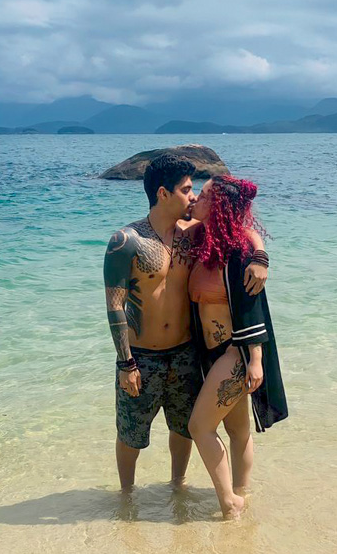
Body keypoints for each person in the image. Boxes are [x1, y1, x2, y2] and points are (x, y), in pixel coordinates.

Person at [103, 153, 268, 491]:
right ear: (163, 193)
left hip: (186, 353)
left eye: (194, 190)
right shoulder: (126, 241)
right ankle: (126, 496)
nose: (193, 197)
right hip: (141, 356)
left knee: (183, 429)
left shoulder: (193, 234)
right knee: (131, 434)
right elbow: (115, 306)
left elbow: (240, 227)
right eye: (187, 189)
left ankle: (177, 487)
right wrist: (126, 363)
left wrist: (260, 256)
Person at [187, 176, 288, 518]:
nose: (194, 201)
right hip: (212, 353)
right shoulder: (206, 241)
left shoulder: (239, 252)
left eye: (201, 196)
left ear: (217, 206)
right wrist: (261, 248)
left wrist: (255, 359)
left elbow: (251, 306)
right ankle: (244, 496)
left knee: (199, 427)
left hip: (234, 354)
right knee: (237, 429)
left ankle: (230, 502)